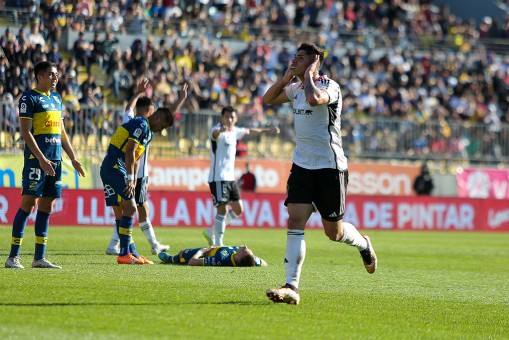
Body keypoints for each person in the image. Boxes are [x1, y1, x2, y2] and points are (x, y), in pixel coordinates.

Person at [262, 42, 377, 305]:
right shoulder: (295, 89)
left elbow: (315, 99)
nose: (294, 60)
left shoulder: (329, 87)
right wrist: (286, 78)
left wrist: (308, 75)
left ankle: (363, 244)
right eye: (294, 56)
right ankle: (291, 285)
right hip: (302, 166)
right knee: (294, 221)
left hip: (330, 168)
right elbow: (268, 99)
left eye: (300, 58)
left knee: (333, 233)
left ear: (313, 63)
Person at [5, 61, 86, 269]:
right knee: (28, 204)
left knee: (47, 206)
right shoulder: (29, 98)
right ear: (39, 76)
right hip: (36, 160)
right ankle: (13, 257)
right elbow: (25, 132)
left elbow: (62, 132)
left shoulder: (57, 99)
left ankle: (39, 258)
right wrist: (41, 158)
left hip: (56, 160)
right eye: (51, 74)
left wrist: (73, 157)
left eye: (56, 74)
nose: (55, 77)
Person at [100, 85, 187, 265]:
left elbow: (136, 157)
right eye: (162, 125)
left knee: (126, 209)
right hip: (114, 166)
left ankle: (131, 251)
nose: (161, 129)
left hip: (117, 168)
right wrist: (131, 179)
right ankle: (125, 253)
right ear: (152, 114)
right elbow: (130, 151)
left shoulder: (147, 130)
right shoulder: (141, 123)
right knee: (131, 209)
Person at [202, 106, 279, 247]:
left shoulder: (235, 132)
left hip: (230, 178)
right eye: (227, 116)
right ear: (222, 117)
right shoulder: (216, 130)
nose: (229, 119)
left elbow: (251, 131)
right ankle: (218, 244)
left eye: (232, 117)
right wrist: (220, 130)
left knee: (239, 209)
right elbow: (214, 135)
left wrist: (269, 130)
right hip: (218, 177)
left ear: (236, 118)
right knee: (223, 209)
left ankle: (212, 231)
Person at [158, 245, 267, 267]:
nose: (245, 246)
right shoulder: (252, 261)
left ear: (238, 258)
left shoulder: (221, 260)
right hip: (215, 247)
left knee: (182, 253)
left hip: (205, 251)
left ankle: (171, 259)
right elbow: (264, 263)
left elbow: (192, 262)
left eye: (244, 250)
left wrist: (201, 252)